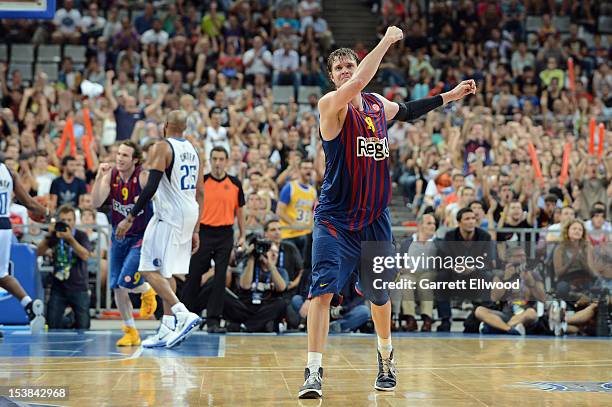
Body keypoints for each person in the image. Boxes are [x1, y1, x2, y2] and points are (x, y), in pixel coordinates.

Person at [299, 26, 476, 399]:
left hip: (375, 220)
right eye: (341, 69)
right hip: (335, 219)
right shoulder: (331, 105)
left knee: (379, 296)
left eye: (350, 66)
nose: (348, 72)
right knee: (322, 293)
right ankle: (313, 370)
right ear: (332, 78)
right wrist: (386, 40)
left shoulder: (379, 105)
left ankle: (385, 356)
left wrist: (451, 96)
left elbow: (410, 110)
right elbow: (360, 80)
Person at [116, 110, 203, 349]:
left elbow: (151, 186)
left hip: (168, 215)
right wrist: (196, 229)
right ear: (183, 127)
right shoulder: (195, 151)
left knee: (147, 269)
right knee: (168, 272)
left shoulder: (162, 148)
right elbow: (201, 191)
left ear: (165, 126)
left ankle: (182, 313)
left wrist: (130, 217)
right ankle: (166, 327)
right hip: (189, 212)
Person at [91, 141, 158, 347]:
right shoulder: (111, 175)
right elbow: (96, 202)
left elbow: (158, 197)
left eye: (125, 155)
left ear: (135, 159)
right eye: (118, 154)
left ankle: (147, 290)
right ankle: (131, 331)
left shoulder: (143, 177)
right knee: (117, 287)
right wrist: (99, 176)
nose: (119, 158)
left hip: (141, 236)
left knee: (126, 280)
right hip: (118, 236)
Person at [184, 146, 245, 333]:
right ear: (210, 161)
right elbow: (192, 207)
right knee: (193, 274)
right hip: (203, 231)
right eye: (215, 159)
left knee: (220, 277)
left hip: (225, 233)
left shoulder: (235, 183)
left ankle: (213, 319)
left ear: (226, 161)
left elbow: (240, 210)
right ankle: (186, 315)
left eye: (221, 159)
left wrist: (242, 234)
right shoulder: (202, 182)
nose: (218, 163)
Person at [0, 160, 49, 332]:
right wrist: (47, 213)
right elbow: (28, 202)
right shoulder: (9, 171)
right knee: (2, 274)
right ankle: (28, 304)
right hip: (5, 227)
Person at [37, 205, 91, 329]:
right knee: (52, 325)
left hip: (79, 287)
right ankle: (69, 319)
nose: (66, 223)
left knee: (84, 327)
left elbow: (85, 256)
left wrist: (70, 239)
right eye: (63, 220)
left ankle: (70, 319)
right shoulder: (54, 236)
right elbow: (38, 253)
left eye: (69, 220)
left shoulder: (81, 236)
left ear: (74, 221)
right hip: (58, 287)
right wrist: (49, 236)